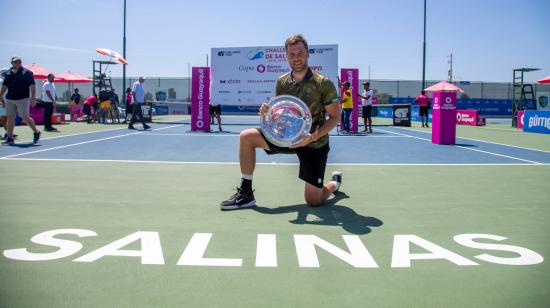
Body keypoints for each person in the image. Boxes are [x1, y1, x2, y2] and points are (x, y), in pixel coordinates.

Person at [220, 34, 343, 210]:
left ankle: (334, 184)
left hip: (313, 143)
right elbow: (281, 113)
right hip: (287, 138)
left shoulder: (323, 83)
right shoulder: (282, 82)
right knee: (246, 137)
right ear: (286, 56)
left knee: (313, 200)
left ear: (307, 54)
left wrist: (313, 136)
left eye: (300, 53)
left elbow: (335, 117)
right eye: (291, 54)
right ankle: (246, 194)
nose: (296, 58)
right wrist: (268, 112)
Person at [0, 56, 41, 145]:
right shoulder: (8, 73)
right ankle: (10, 137)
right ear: (12, 63)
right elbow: (4, 85)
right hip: (10, 99)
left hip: (23, 98)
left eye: (19, 62)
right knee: (10, 117)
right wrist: (0, 96)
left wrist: (33, 98)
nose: (17, 63)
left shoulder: (27, 72)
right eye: (15, 62)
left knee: (24, 117)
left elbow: (32, 86)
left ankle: (36, 131)